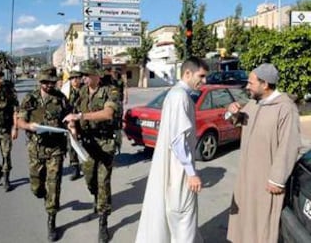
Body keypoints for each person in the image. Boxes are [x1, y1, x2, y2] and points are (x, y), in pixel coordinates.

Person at [226, 63, 302, 243]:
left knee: (261, 224)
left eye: (251, 83)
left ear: (265, 84)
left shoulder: (285, 108)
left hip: (266, 180)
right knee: (245, 220)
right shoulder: (254, 103)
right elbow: (238, 120)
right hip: (247, 177)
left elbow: (289, 145)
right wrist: (232, 112)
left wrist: (277, 178)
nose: (247, 86)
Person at [135, 57, 209, 243]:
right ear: (187, 73)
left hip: (176, 170)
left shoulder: (177, 95)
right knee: (184, 222)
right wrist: (191, 173)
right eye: (201, 76)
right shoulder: (179, 96)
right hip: (180, 172)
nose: (204, 81)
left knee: (180, 221)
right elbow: (178, 141)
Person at [64, 60, 119, 243]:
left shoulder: (110, 91)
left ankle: (103, 222)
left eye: (87, 75)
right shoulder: (80, 92)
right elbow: (74, 111)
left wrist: (80, 116)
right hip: (87, 144)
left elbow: (108, 114)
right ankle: (96, 196)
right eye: (83, 75)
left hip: (104, 143)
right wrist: (73, 125)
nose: (84, 78)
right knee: (90, 180)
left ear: (98, 75)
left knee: (103, 182)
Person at [17, 65, 70, 242]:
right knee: (36, 187)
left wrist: (72, 127)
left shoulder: (61, 98)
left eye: (51, 82)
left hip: (56, 148)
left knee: (54, 185)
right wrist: (28, 126)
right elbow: (20, 121)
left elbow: (68, 119)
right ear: (40, 81)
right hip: (36, 149)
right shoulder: (30, 98)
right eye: (45, 82)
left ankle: (51, 220)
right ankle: (43, 195)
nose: (48, 85)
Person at [67, 70, 83, 180]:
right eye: (72, 78)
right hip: (71, 122)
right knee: (72, 145)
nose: (75, 80)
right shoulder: (66, 91)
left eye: (77, 77)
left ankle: (89, 164)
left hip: (84, 120)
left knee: (88, 143)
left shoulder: (85, 90)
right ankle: (75, 168)